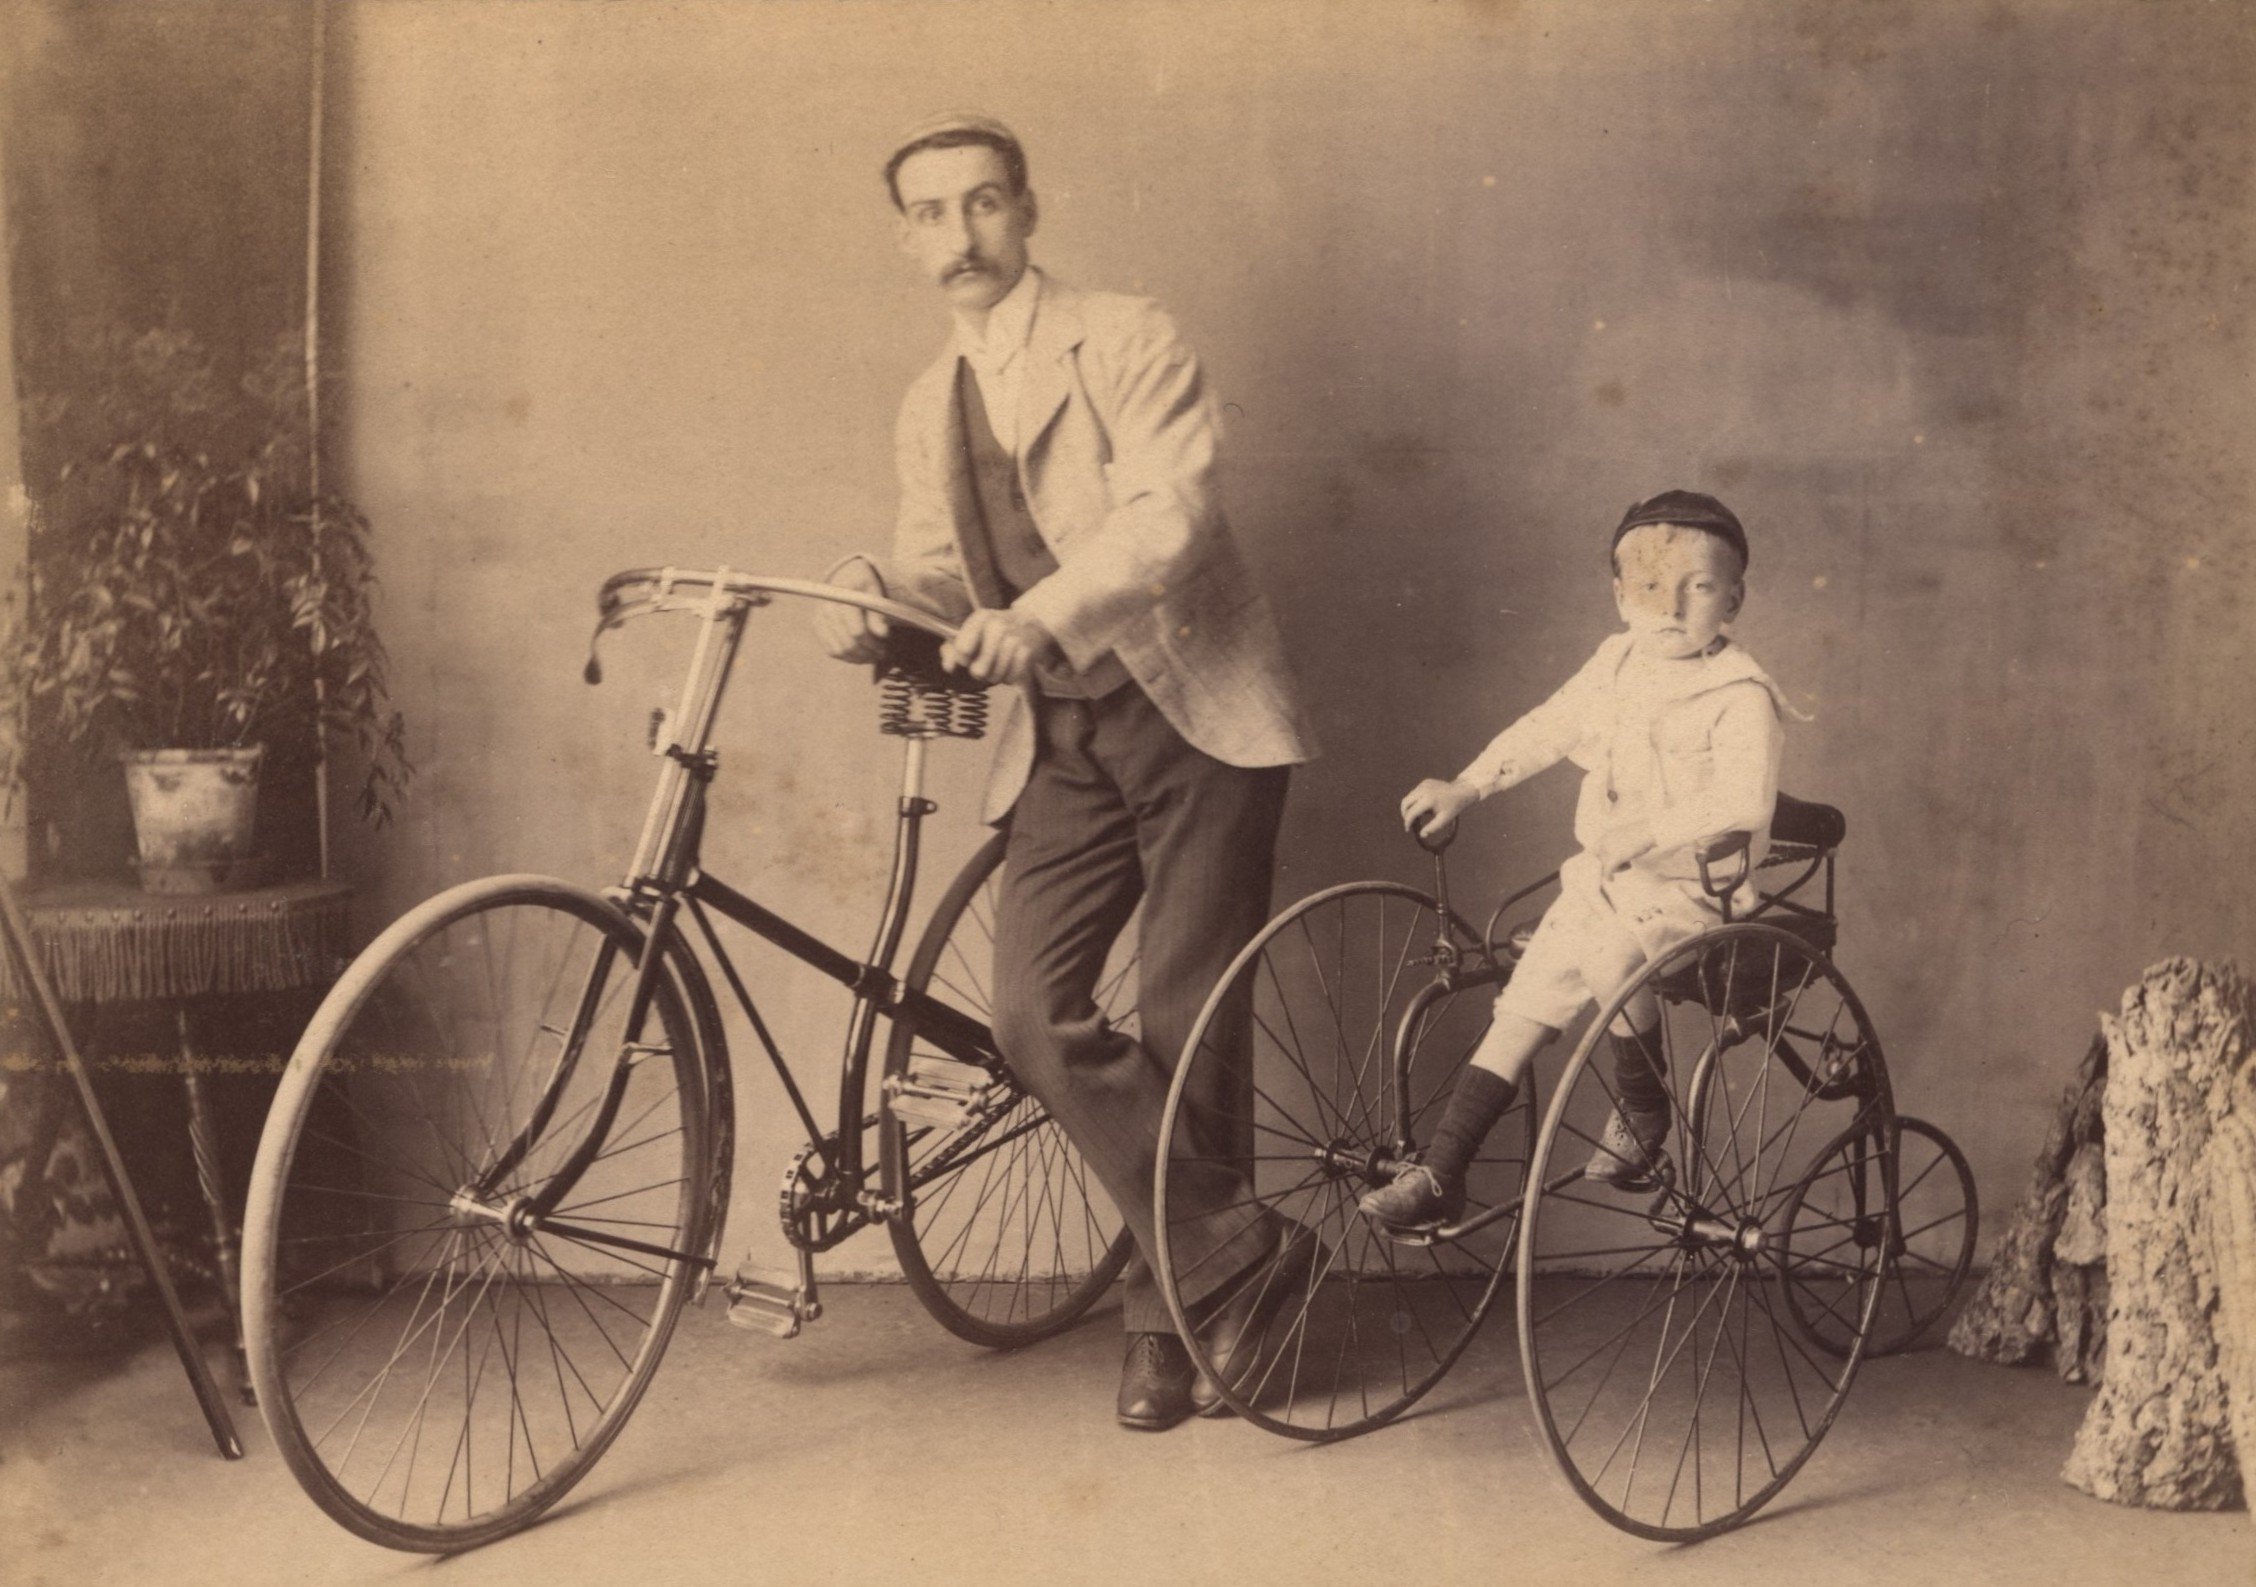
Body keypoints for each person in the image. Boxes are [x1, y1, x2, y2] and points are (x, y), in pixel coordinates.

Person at [813, 113, 1320, 1429]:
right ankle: (1234, 1250)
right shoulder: (930, 400)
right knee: (1035, 1022)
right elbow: (943, 567)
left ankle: (1171, 1321)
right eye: (932, 213)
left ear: (1028, 212)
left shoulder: (1125, 334)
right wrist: (872, 593)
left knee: (1184, 1010)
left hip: (1194, 707)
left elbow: (1170, 508)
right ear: (906, 238)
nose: (962, 235)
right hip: (1064, 739)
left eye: (985, 205)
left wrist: (1041, 618)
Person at [1360, 490, 1795, 1230]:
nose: (1671, 605)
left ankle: (1645, 1107)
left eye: (1698, 587)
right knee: (1521, 1008)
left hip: (1698, 893)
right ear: (1620, 596)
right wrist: (1468, 784)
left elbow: (1745, 803)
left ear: (1734, 599)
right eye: (1651, 586)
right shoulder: (1616, 660)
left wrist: (1649, 831)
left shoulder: (1740, 691)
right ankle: (1441, 1171)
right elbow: (1549, 727)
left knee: (1608, 947)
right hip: (1604, 881)